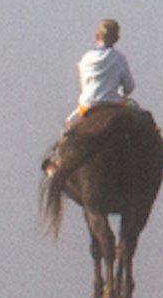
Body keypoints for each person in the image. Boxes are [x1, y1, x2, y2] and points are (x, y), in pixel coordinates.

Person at [43, 17, 134, 180]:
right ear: (117, 39)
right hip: (114, 104)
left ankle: (56, 162)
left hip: (87, 107)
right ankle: (162, 152)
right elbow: (129, 86)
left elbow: (84, 85)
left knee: (66, 129)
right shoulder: (119, 58)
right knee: (143, 118)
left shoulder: (85, 58)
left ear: (96, 37)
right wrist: (120, 92)